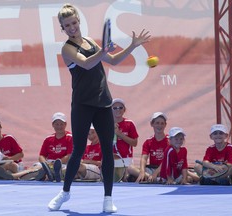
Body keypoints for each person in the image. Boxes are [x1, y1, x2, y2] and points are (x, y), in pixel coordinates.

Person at [48, 3, 151, 213]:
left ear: (79, 22)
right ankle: (65, 192)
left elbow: (113, 60)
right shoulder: (67, 48)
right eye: (67, 25)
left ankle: (107, 198)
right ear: (63, 28)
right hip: (82, 105)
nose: (72, 27)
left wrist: (132, 46)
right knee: (77, 151)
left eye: (74, 22)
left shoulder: (89, 42)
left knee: (107, 149)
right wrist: (102, 51)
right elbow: (86, 63)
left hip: (103, 102)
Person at [0, 112, 73, 182]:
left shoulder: (70, 138)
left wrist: (55, 163)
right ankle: (15, 176)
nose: (59, 126)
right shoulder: (48, 139)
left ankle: (47, 175)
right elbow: (41, 155)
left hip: (62, 164)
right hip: (49, 163)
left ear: (65, 124)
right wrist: (44, 163)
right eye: (57, 124)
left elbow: (69, 156)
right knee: (35, 167)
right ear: (53, 125)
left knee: (62, 170)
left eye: (61, 124)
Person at [127, 112, 169, 183]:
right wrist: (142, 172)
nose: (160, 126)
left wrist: (155, 173)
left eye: (162, 123)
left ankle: (151, 178)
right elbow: (144, 158)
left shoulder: (169, 141)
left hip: (164, 168)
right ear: (152, 124)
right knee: (130, 168)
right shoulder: (148, 141)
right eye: (157, 123)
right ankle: (152, 178)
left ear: (165, 125)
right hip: (152, 168)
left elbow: (166, 160)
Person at [111, 98, 139, 182]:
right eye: (115, 108)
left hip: (127, 160)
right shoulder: (106, 124)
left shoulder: (129, 123)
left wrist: (120, 134)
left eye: (120, 107)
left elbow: (134, 143)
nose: (118, 110)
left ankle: (151, 178)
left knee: (130, 171)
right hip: (112, 161)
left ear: (124, 110)